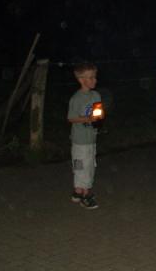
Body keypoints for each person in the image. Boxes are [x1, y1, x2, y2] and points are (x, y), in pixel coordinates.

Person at [67, 62, 103, 210]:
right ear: (81, 80)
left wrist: (98, 118)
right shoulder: (76, 98)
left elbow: (98, 113)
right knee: (81, 166)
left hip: (91, 138)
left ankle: (78, 192)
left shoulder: (96, 95)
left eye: (95, 76)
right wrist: (87, 119)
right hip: (80, 140)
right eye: (91, 77)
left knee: (88, 165)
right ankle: (85, 195)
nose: (95, 80)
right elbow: (71, 118)